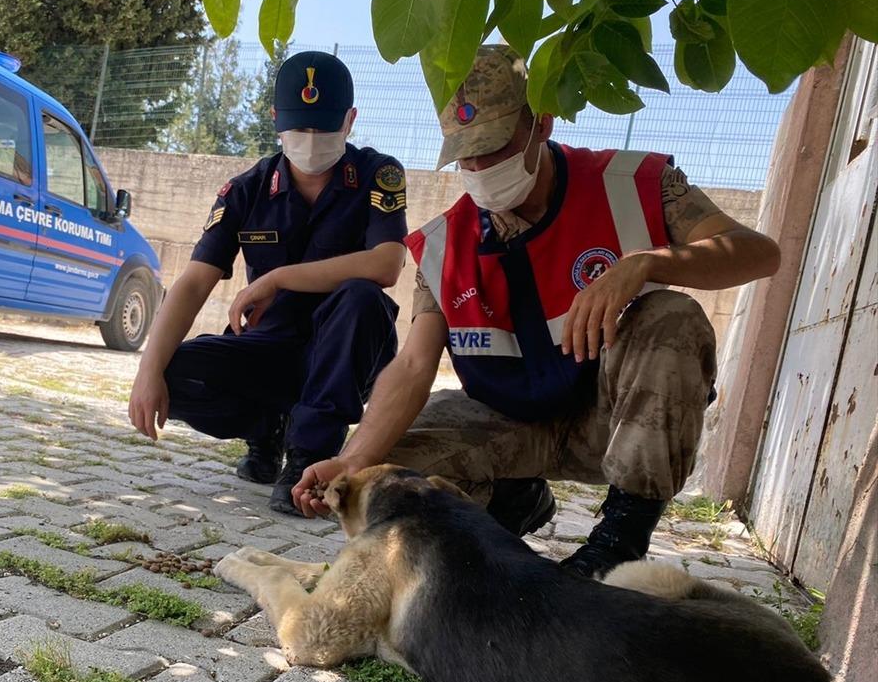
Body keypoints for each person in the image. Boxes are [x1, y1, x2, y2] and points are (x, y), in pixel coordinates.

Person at [291, 45, 781, 578]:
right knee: (389, 482)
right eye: (465, 155)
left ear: (540, 125)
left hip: (610, 423)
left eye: (494, 148)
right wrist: (355, 459)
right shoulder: (443, 245)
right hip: (506, 421)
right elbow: (412, 366)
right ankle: (512, 505)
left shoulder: (632, 187)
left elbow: (759, 252)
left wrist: (647, 264)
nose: (478, 169)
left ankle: (619, 542)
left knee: (671, 317)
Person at [128, 50, 408, 515]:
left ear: (351, 120)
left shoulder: (378, 175)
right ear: (276, 119)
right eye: (300, 127)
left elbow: (387, 264)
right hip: (269, 349)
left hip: (345, 356)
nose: (312, 139)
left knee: (361, 297)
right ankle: (269, 429)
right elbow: (195, 282)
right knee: (172, 371)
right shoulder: (247, 189)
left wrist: (278, 277)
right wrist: (146, 371)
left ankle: (309, 457)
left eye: (324, 127)